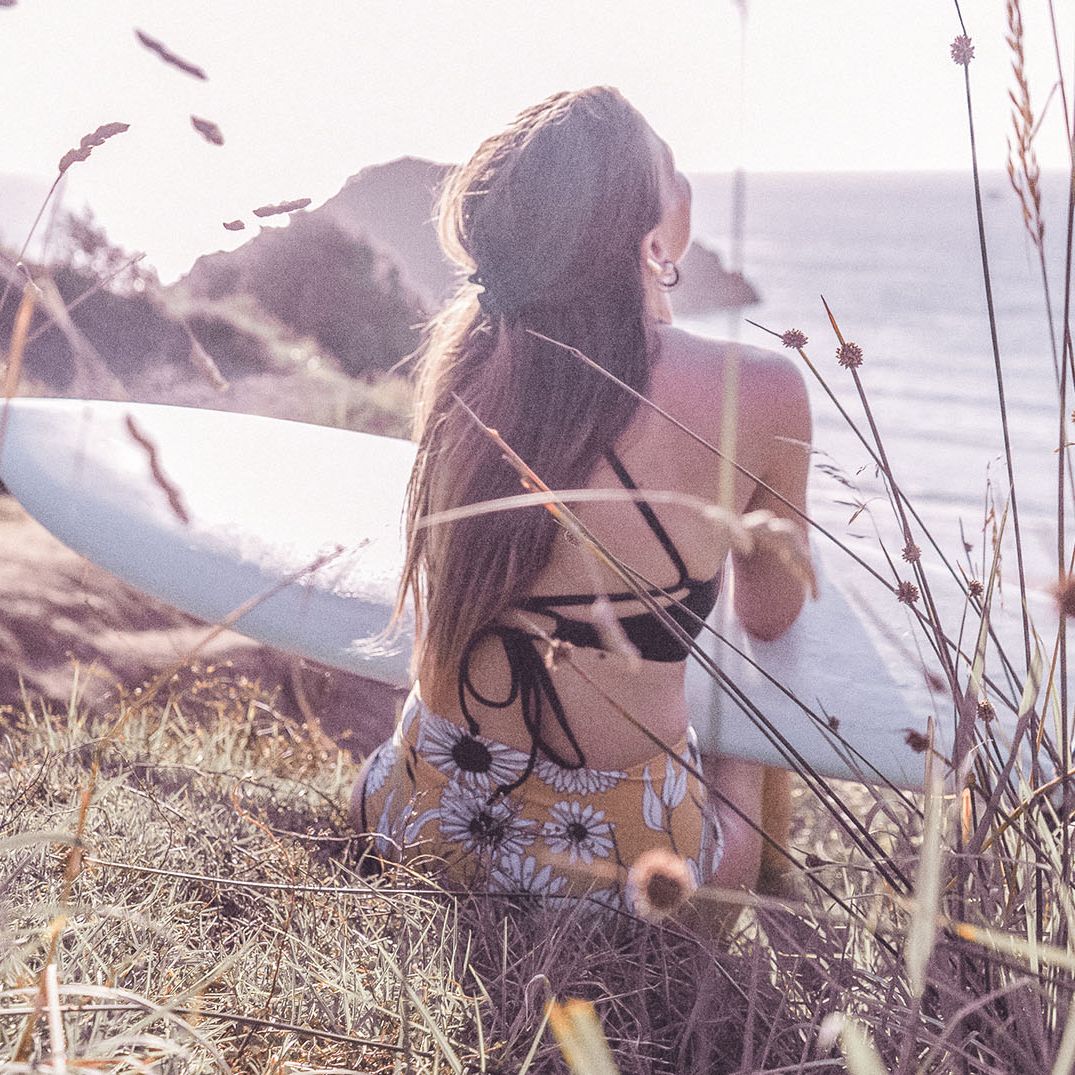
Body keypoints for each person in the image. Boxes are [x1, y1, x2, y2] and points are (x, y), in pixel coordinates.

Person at [351, 86, 812, 916]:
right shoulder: (760, 389)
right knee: (747, 761)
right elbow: (772, 615)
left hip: (416, 819)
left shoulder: (467, 357)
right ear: (656, 227)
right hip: (621, 879)